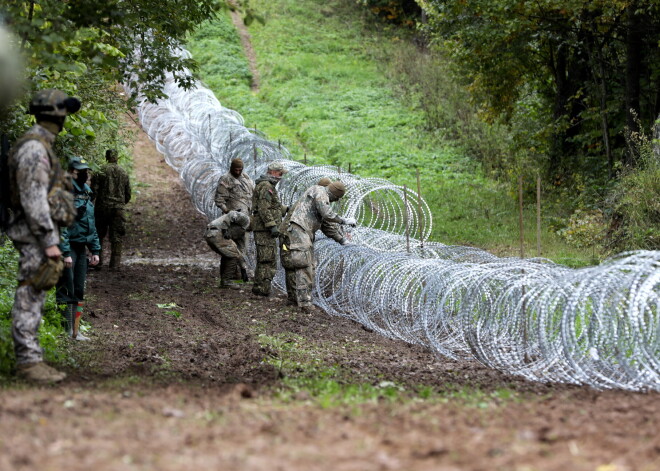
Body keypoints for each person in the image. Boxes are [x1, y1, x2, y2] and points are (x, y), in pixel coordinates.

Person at [6, 89, 80, 383]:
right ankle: (27, 361)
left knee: (35, 291)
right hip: (34, 234)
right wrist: (50, 241)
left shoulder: (39, 146)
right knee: (30, 291)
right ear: (57, 116)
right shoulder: (35, 150)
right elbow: (34, 199)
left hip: (36, 233)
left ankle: (31, 358)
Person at [279, 181, 356, 310]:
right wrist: (343, 220)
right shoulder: (320, 191)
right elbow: (327, 213)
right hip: (299, 231)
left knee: (294, 264)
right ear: (335, 195)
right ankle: (304, 303)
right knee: (305, 265)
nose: (333, 202)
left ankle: (294, 299)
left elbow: (326, 224)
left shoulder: (315, 200)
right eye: (335, 199)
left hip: (293, 231)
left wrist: (342, 240)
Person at [56, 157, 101, 341]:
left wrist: (95, 249)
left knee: (79, 289)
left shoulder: (86, 192)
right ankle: (65, 330)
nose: (85, 174)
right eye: (80, 171)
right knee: (66, 288)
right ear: (71, 172)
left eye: (86, 171)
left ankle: (76, 331)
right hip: (68, 249)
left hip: (81, 247)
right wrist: (65, 253)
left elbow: (91, 222)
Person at [214, 158, 254, 284]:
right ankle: (227, 277)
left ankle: (237, 274)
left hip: (245, 220)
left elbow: (251, 194)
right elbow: (219, 200)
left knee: (242, 249)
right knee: (229, 249)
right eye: (235, 169)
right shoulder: (226, 179)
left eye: (240, 169)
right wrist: (228, 212)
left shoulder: (246, 178)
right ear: (231, 168)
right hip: (232, 221)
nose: (237, 172)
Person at [250, 162, 288, 297]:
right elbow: (263, 208)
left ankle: (262, 287)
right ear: (272, 172)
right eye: (280, 173)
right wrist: (272, 225)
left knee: (268, 259)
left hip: (265, 229)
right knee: (266, 260)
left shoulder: (268, 185)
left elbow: (274, 206)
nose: (281, 176)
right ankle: (261, 289)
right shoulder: (266, 186)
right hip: (264, 230)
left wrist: (286, 209)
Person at [91, 149, 131, 270]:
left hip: (102, 208)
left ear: (106, 157)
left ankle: (98, 262)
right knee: (116, 236)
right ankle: (115, 264)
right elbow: (128, 194)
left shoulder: (100, 171)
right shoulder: (123, 172)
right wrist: (120, 203)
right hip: (118, 209)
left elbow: (94, 190)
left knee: (99, 235)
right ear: (117, 157)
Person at [205, 210, 251, 289]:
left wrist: (243, 269)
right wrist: (225, 229)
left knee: (228, 255)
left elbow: (240, 253)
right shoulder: (246, 219)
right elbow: (232, 214)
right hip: (217, 232)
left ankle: (224, 281)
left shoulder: (242, 234)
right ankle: (227, 281)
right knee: (232, 256)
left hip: (209, 233)